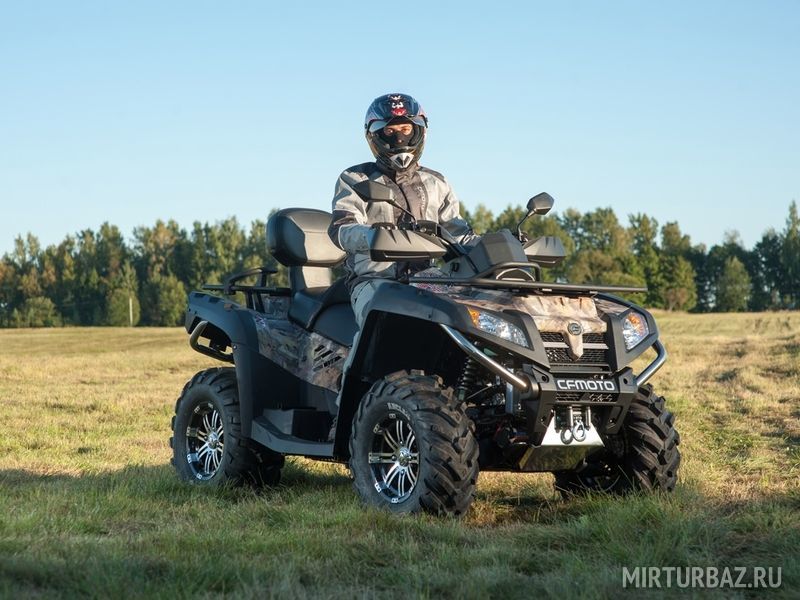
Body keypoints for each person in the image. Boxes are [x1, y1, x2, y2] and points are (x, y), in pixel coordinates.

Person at [327, 93, 477, 329]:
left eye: (406, 129)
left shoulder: (436, 181)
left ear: (419, 131)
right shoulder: (355, 178)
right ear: (375, 135)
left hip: (429, 277)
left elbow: (458, 234)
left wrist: (503, 245)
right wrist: (373, 235)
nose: (399, 137)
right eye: (390, 130)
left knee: (475, 317)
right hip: (375, 280)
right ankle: (359, 355)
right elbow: (341, 228)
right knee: (384, 327)